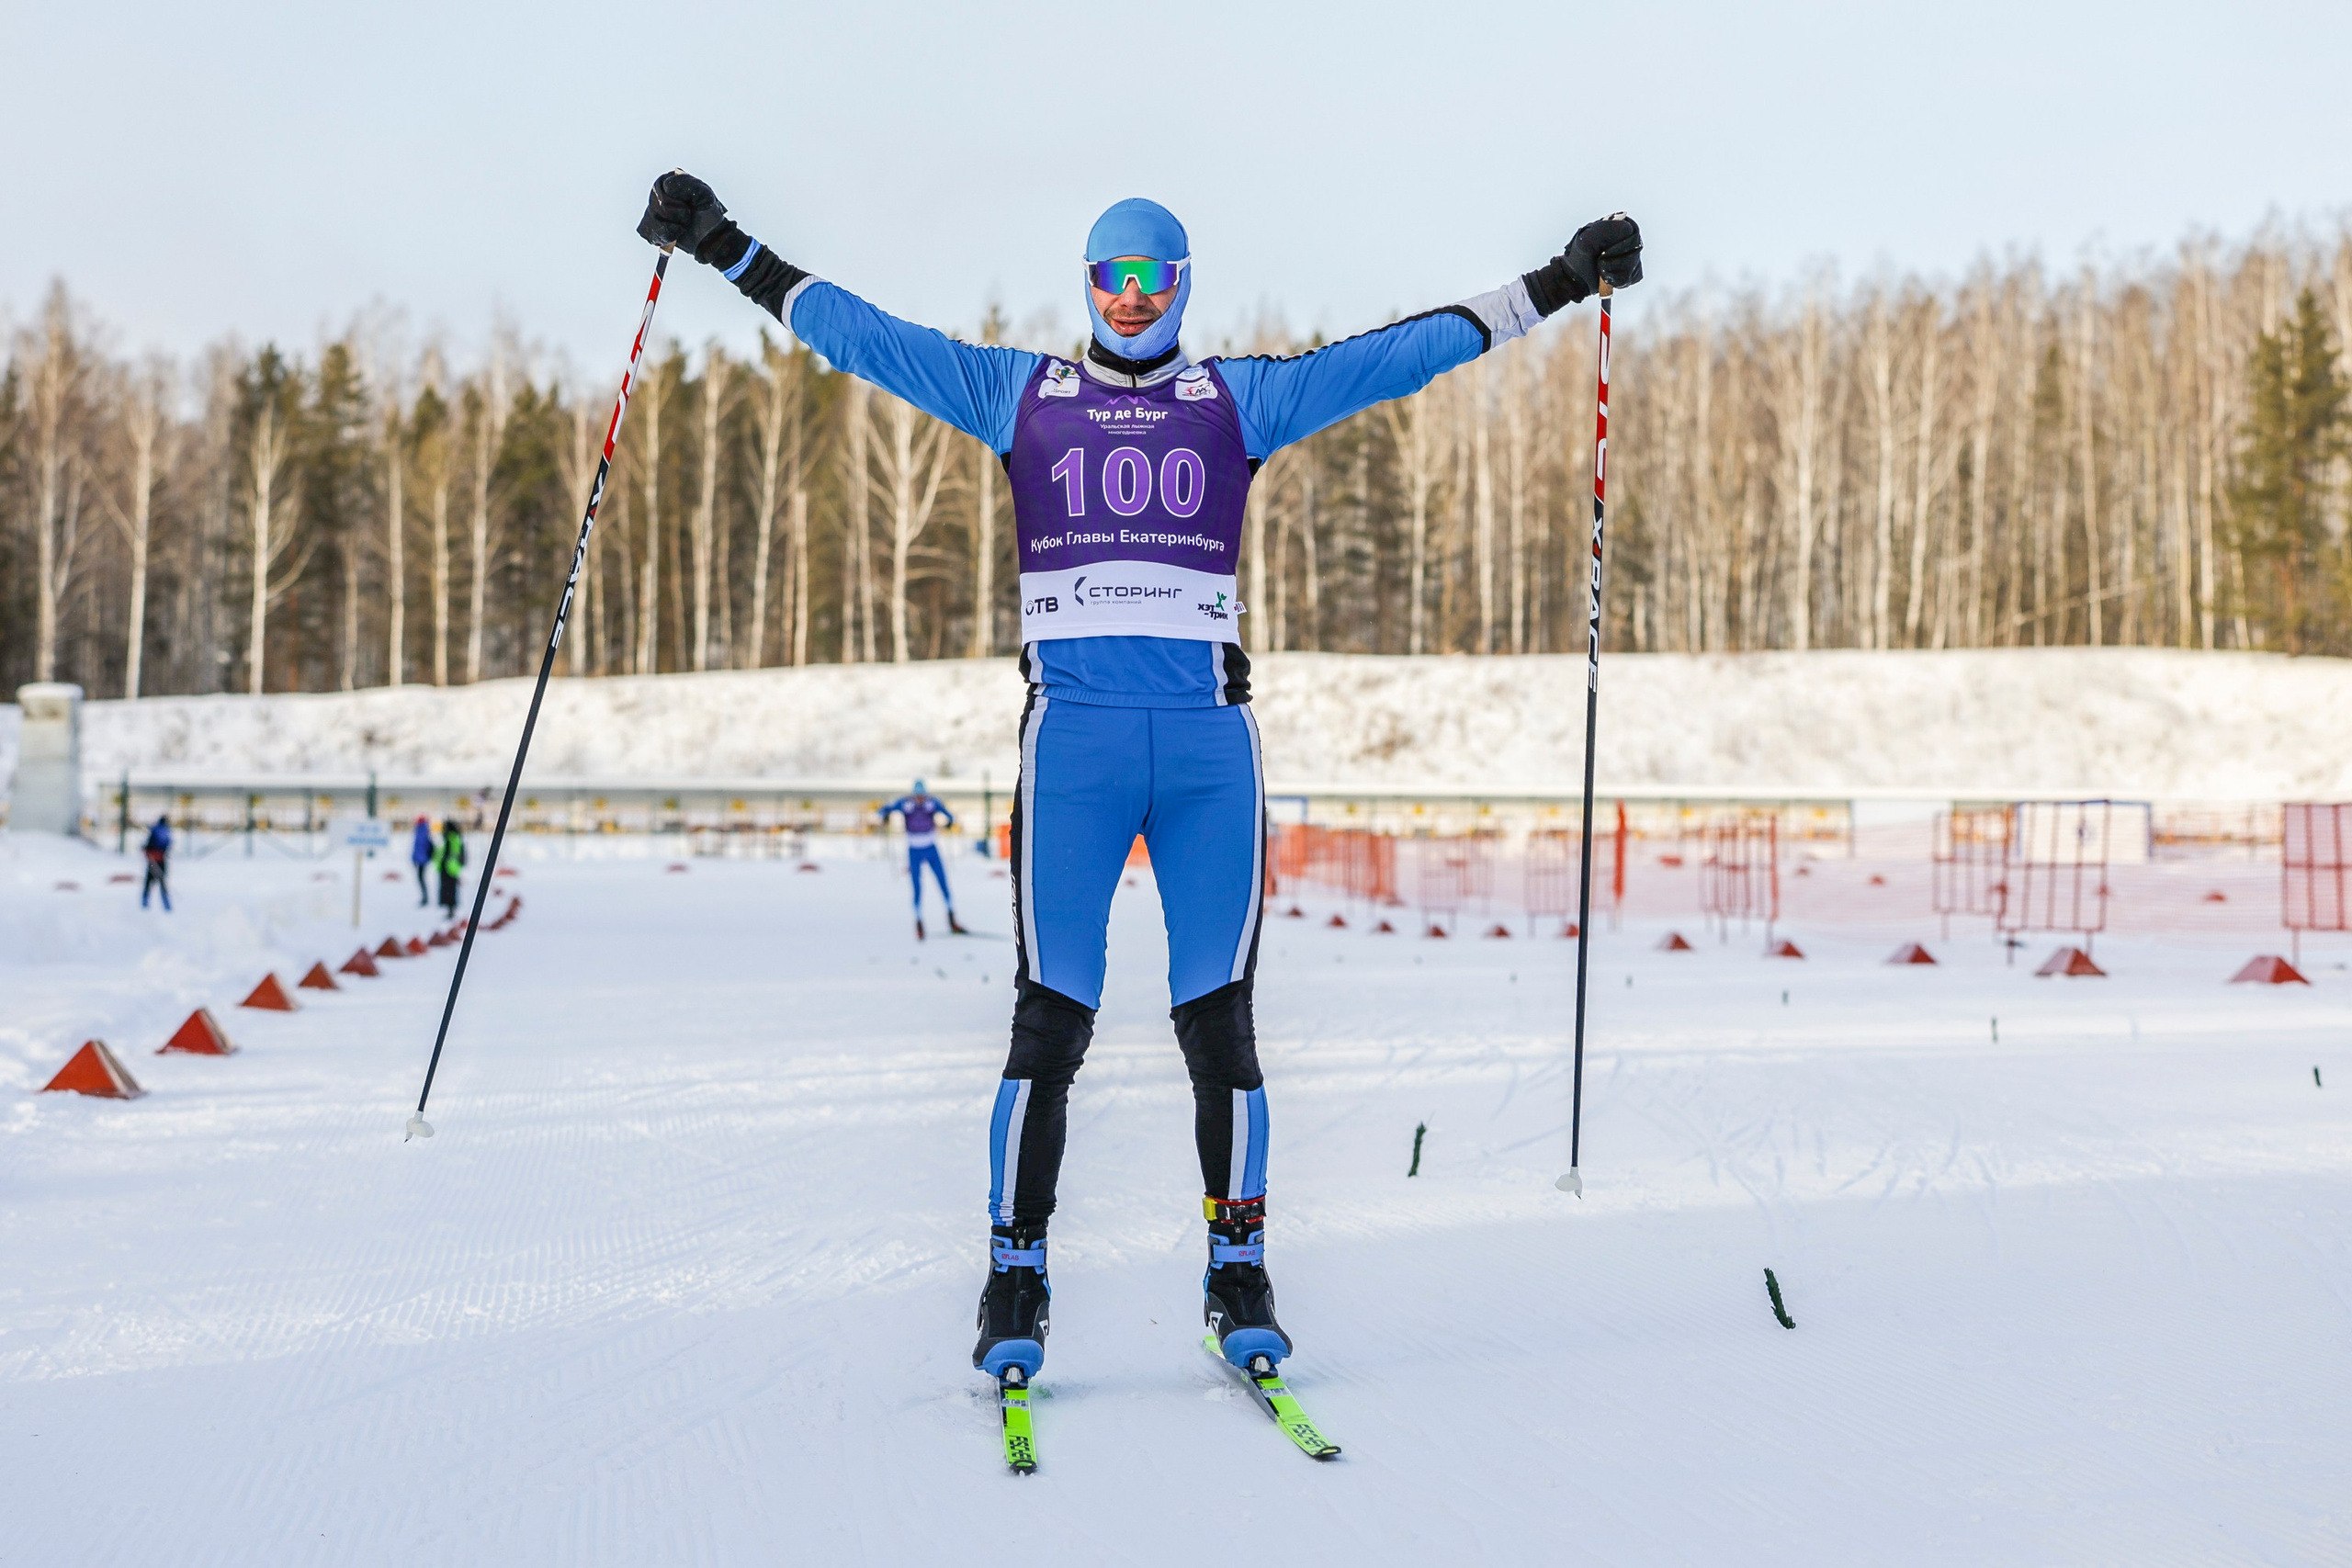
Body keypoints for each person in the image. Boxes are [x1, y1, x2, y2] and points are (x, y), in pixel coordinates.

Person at [638, 174, 1641, 1383]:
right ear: (1087, 287)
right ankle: (1015, 1273)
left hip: (1209, 748)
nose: (1128, 301)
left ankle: (1238, 1270)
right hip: (1077, 743)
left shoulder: (1238, 399)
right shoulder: (1023, 395)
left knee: (1219, 1019)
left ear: (1179, 288)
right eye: (1109, 279)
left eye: (1151, 280)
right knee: (1051, 1015)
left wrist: (1552, 284)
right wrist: (725, 249)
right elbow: (868, 339)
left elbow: (1400, 356)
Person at [878, 779, 967, 940]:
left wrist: (949, 823)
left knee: (942, 881)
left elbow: (949, 815)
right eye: (917, 796)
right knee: (917, 886)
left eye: (922, 796)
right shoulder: (905, 804)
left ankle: (951, 918)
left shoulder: (932, 803)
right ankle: (919, 922)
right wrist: (885, 815)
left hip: (931, 848)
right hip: (914, 850)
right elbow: (884, 810)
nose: (920, 799)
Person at [140, 814, 172, 911]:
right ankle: (167, 904)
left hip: (153, 860)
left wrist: (145, 849)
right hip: (162, 860)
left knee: (148, 881)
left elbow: (149, 843)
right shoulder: (166, 831)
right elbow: (168, 845)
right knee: (162, 881)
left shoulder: (155, 830)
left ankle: (145, 903)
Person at [435, 818, 466, 919]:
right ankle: (451, 910)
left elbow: (447, 853)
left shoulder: (450, 838)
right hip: (453, 868)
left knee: (449, 890)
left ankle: (451, 911)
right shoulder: (456, 838)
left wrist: (442, 864)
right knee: (451, 890)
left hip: (449, 868)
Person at [411, 815, 435, 907]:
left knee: (421, 878)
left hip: (422, 860)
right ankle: (424, 897)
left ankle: (425, 898)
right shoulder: (424, 831)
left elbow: (419, 847)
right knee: (421, 878)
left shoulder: (421, 832)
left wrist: (415, 858)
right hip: (422, 859)